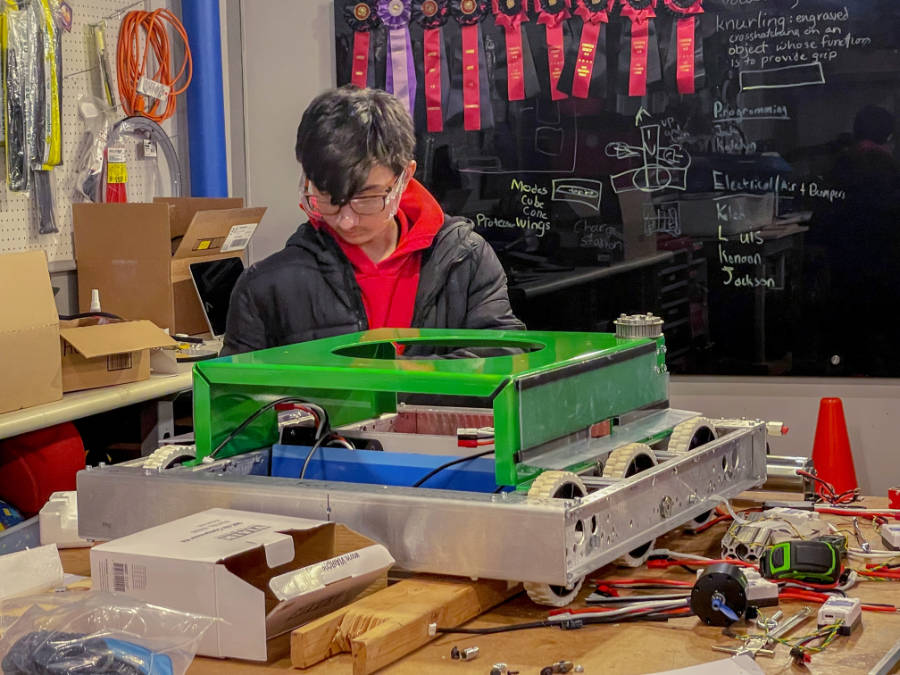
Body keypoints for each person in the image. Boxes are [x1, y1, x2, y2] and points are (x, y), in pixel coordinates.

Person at [221, 85, 523, 356]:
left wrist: (394, 387)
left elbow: (503, 356)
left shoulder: (465, 260)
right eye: (328, 198)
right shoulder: (265, 287)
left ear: (405, 176)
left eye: (366, 198)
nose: (347, 220)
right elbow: (235, 403)